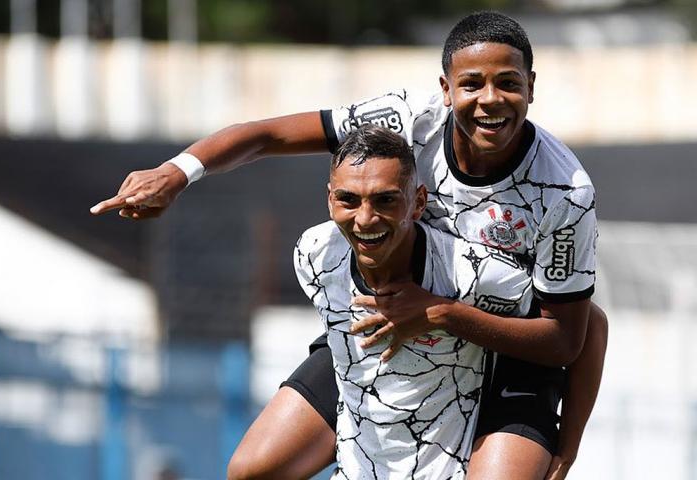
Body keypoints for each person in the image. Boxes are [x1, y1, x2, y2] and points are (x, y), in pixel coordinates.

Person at [91, 11, 608, 480]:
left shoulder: (564, 191)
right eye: (472, 84)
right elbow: (270, 134)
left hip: (498, 341)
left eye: (508, 84)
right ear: (446, 90)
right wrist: (177, 172)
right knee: (252, 470)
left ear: (532, 88)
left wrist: (439, 314)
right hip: (384, 325)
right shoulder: (405, 123)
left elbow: (570, 336)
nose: (490, 100)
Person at [296, 123, 538, 478]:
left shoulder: (471, 273)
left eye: (386, 200)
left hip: (441, 465)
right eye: (348, 199)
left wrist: (443, 315)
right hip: (357, 466)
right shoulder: (313, 254)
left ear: (418, 202)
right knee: (248, 469)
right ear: (330, 198)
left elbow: (587, 323)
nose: (365, 219)